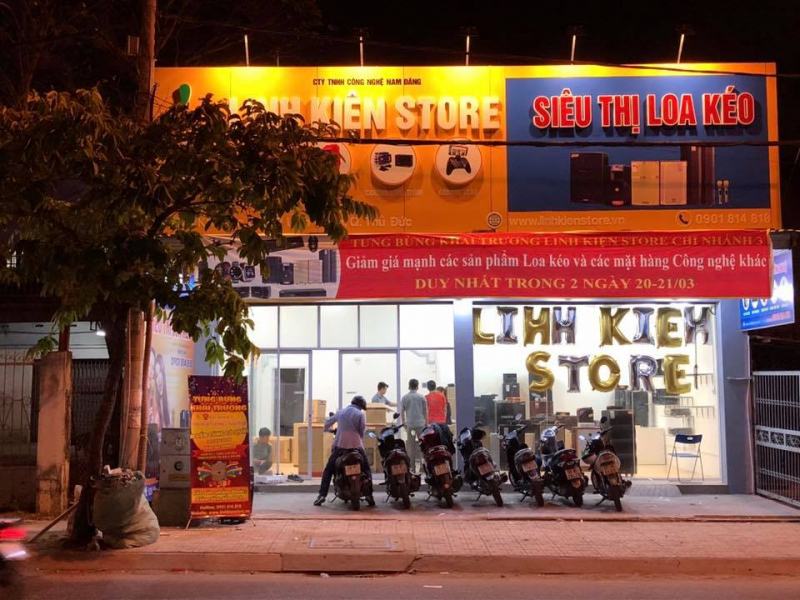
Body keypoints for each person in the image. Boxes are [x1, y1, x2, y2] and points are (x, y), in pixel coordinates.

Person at [314, 395, 371, 506]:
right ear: (360, 406)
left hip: (340, 446)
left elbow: (326, 424)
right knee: (366, 468)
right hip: (357, 446)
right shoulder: (360, 414)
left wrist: (330, 430)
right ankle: (369, 496)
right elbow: (361, 431)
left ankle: (322, 495)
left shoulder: (341, 412)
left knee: (328, 470)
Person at [398, 379, 428, 472]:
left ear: (409, 386)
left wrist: (404, 422)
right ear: (417, 386)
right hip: (421, 425)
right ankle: (423, 467)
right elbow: (425, 411)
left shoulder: (405, 397)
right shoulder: (421, 397)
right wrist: (426, 423)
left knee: (410, 446)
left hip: (410, 425)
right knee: (423, 446)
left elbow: (402, 411)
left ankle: (412, 468)